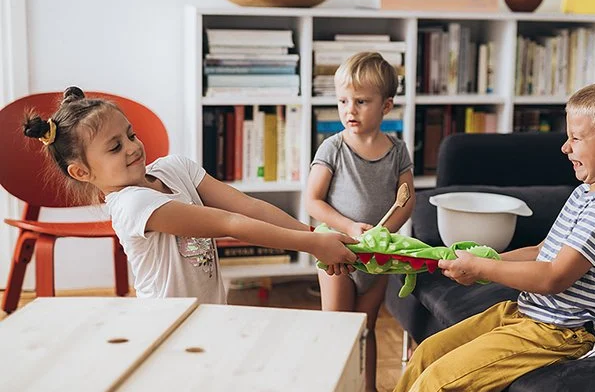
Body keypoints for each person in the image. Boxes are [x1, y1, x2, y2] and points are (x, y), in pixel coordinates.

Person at [365, 78, 595, 392]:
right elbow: (542, 250)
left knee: (440, 383)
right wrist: (485, 259)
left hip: (559, 333)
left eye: (576, 138)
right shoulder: (587, 193)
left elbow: (553, 277)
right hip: (526, 315)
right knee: (427, 355)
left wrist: (483, 269)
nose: (565, 147)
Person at [22, 87, 356, 305]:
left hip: (210, 313)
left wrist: (313, 234)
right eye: (114, 147)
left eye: (130, 134)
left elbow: (247, 206)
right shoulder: (132, 204)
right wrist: (312, 245)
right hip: (165, 327)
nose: (132, 147)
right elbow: (232, 222)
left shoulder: (174, 167)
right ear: (82, 172)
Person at [305, 52, 415, 392]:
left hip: (375, 258)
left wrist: (384, 237)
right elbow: (313, 201)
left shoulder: (397, 151)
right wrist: (350, 227)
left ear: (386, 106)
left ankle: (367, 390)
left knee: (367, 327)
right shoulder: (333, 148)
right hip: (336, 250)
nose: (349, 110)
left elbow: (406, 201)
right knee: (339, 328)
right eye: (342, 101)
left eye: (362, 101)